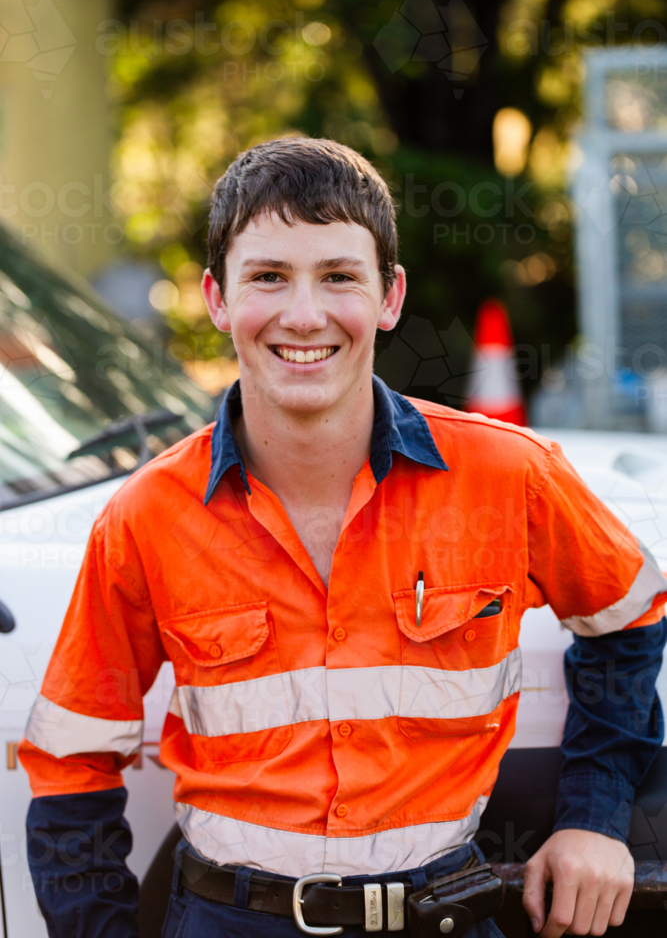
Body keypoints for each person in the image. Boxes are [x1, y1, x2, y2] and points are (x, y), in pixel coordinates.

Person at [19, 137, 667, 938]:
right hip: (226, 923)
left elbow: (629, 619)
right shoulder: (146, 515)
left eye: (337, 276)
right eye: (267, 277)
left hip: (445, 917)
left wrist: (595, 819)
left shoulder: (509, 477)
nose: (302, 315)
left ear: (388, 296)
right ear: (216, 298)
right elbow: (70, 764)